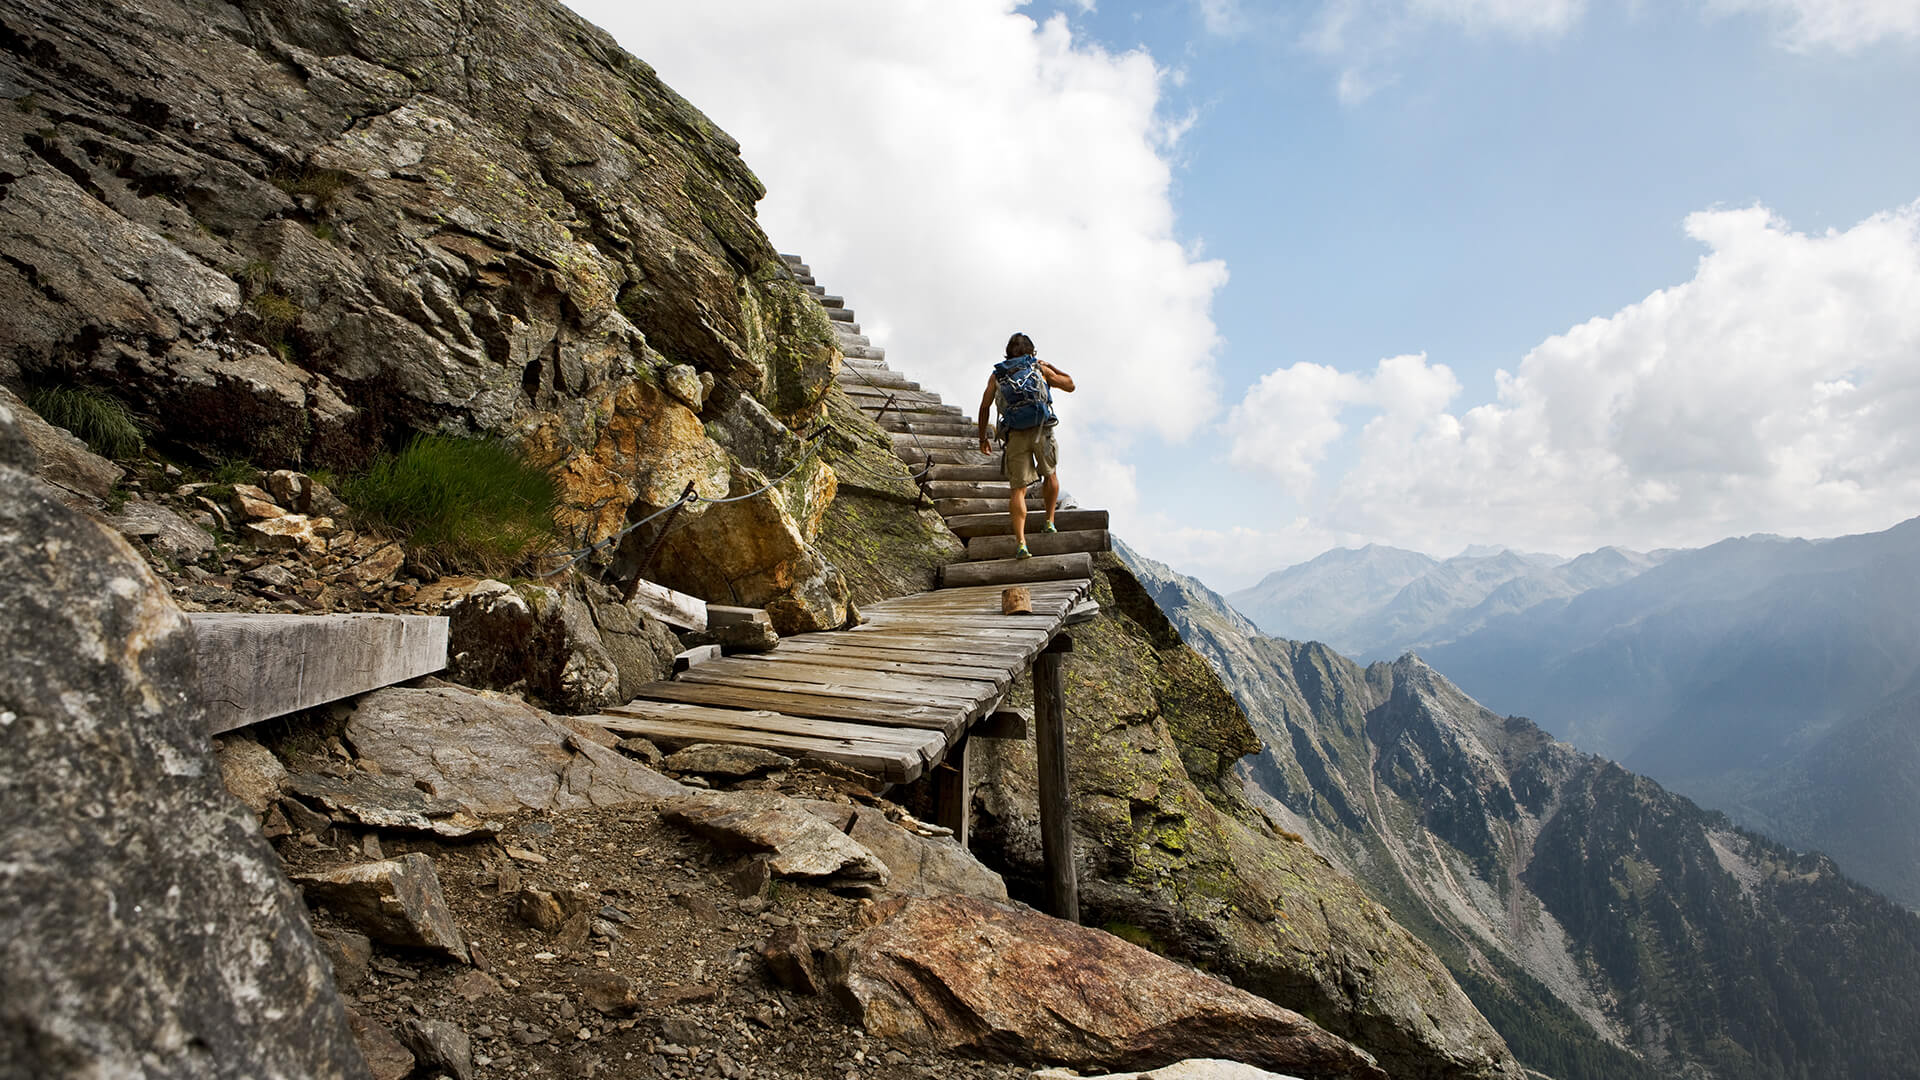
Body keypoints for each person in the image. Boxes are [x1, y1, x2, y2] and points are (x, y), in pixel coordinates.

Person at [976, 332, 1075, 558]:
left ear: (1008, 352)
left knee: (1018, 490)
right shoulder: (1038, 369)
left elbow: (984, 407)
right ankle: (1049, 521)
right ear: (1031, 351)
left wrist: (983, 438)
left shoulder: (997, 376)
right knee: (1050, 475)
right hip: (1042, 429)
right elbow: (1070, 385)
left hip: (1015, 435)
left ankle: (1021, 542)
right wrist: (1051, 366)